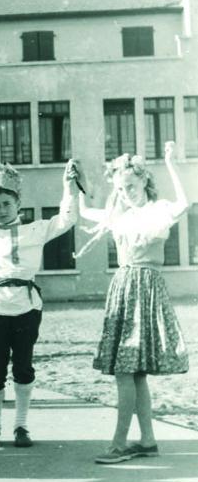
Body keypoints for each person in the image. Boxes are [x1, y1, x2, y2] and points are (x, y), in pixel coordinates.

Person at [76, 143, 189, 464]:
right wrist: (76, 184)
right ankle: (148, 441)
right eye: (122, 188)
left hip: (146, 287)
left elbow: (185, 201)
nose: (127, 193)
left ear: (144, 182)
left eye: (132, 186)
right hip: (124, 287)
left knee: (126, 372)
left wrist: (169, 161)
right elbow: (84, 211)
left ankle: (119, 444)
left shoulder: (158, 210)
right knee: (133, 373)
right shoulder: (118, 216)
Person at [0, 160, 80, 448]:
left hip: (27, 306)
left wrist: (67, 185)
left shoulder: (36, 229)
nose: (1, 210)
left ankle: (21, 426)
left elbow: (68, 217)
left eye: (6, 203)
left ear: (18, 204)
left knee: (23, 367)